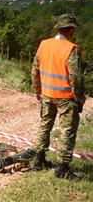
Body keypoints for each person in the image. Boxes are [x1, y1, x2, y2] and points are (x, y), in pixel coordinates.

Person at [31, 14, 85, 180]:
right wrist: (79, 98)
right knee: (67, 130)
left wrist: (37, 91)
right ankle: (62, 168)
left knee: (45, 125)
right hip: (65, 97)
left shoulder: (44, 44)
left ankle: (38, 160)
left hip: (47, 94)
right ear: (71, 29)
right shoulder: (71, 49)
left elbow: (35, 70)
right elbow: (75, 77)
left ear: (59, 28)